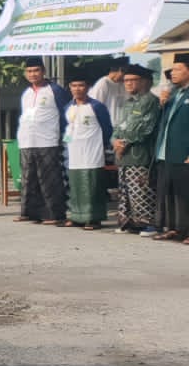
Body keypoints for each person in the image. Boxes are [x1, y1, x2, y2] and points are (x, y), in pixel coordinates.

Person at [14, 57, 72, 225]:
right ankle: (29, 212)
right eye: (29, 71)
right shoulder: (26, 93)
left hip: (48, 141)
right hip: (27, 141)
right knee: (28, 178)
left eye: (36, 70)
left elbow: (66, 114)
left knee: (50, 179)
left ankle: (54, 214)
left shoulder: (54, 90)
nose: (33, 74)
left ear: (43, 71)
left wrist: (65, 137)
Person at [113, 64, 161, 235]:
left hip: (140, 155)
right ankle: (129, 223)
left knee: (142, 190)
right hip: (124, 156)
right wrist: (115, 141)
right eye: (126, 80)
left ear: (145, 82)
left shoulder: (150, 101)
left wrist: (123, 142)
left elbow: (144, 129)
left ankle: (149, 224)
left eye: (133, 80)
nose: (128, 83)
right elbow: (118, 127)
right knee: (125, 191)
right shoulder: (127, 103)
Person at [61, 77, 113, 230]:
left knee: (92, 184)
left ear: (87, 87)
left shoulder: (96, 106)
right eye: (74, 85)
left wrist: (101, 145)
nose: (77, 89)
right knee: (75, 184)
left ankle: (94, 218)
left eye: (81, 85)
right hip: (74, 152)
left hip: (92, 152)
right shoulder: (68, 107)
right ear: (70, 87)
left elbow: (107, 129)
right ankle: (77, 217)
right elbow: (66, 128)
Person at [153, 54, 189, 243]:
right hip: (166, 151)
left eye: (177, 69)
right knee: (170, 192)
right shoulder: (174, 94)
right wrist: (162, 104)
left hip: (183, 152)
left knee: (185, 194)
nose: (172, 73)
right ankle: (174, 228)